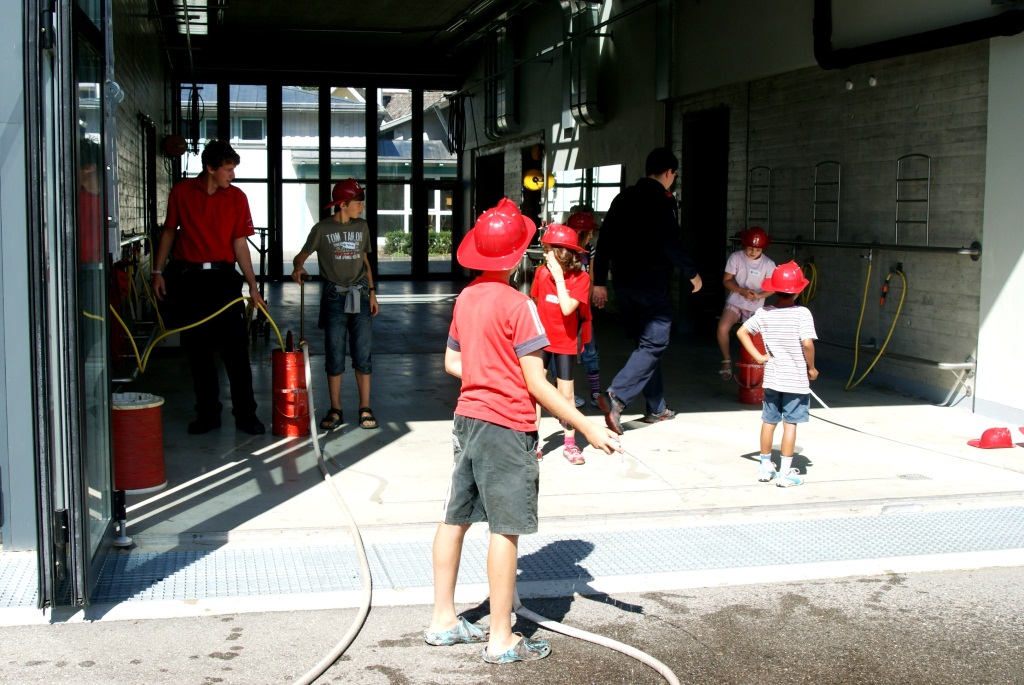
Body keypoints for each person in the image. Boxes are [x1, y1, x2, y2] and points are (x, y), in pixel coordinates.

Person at [424, 198, 620, 665]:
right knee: (505, 528)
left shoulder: (466, 298)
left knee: (454, 518)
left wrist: (486, 373)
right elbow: (537, 383)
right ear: (518, 256)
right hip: (507, 425)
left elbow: (452, 361)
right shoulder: (520, 306)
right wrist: (586, 426)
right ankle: (501, 637)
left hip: (467, 420)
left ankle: (443, 620)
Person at [152, 139, 267, 436]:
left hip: (224, 280)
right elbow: (169, 231)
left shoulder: (237, 197)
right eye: (228, 169)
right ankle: (207, 414)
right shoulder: (181, 192)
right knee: (199, 353)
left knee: (236, 351)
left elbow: (240, 244)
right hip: (189, 280)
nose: (232, 175)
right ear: (210, 168)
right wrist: (157, 271)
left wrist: (253, 288)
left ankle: (246, 415)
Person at [591, 147, 703, 433]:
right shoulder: (663, 201)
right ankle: (616, 397)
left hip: (624, 285)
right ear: (669, 172)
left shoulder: (623, 198)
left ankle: (656, 406)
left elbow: (605, 241)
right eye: (674, 175)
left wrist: (600, 280)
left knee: (646, 346)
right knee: (654, 344)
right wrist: (692, 273)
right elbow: (670, 243)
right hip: (651, 284)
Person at [291, 179, 379, 431]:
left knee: (363, 353)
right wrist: (298, 268)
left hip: (360, 294)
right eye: (358, 202)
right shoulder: (322, 229)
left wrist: (372, 293)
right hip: (333, 297)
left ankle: (365, 407)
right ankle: (336, 409)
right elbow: (300, 257)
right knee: (335, 354)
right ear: (343, 205)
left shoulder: (362, 227)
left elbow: (365, 261)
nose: (362, 207)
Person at [736, 261, 818, 488]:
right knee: (790, 423)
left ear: (773, 289)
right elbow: (807, 344)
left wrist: (759, 356)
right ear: (798, 291)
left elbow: (742, 331)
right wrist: (811, 368)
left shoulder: (764, 313)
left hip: (772, 378)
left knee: (769, 421)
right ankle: (784, 473)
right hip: (795, 381)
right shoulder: (802, 313)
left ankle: (765, 467)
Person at [530, 223, 591, 465]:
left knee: (566, 394)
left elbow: (567, 308)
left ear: (561, 253)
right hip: (541, 339)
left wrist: (558, 278)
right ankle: (533, 442)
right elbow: (536, 302)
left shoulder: (581, 278)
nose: (544, 255)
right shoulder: (540, 273)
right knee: (535, 389)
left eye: (547, 250)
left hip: (565, 341)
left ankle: (570, 443)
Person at [716, 226, 776, 381]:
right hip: (737, 300)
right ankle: (726, 360)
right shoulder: (736, 257)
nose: (753, 252)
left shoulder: (769, 264)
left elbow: (773, 287)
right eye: (750, 248)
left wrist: (759, 295)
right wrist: (741, 291)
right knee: (722, 328)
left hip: (756, 305)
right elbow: (726, 281)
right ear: (745, 245)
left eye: (758, 249)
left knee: (755, 337)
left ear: (763, 249)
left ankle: (756, 366)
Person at [567, 210, 603, 406]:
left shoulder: (590, 250)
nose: (591, 236)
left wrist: (585, 306)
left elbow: (591, 277)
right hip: (566, 308)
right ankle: (564, 394)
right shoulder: (564, 251)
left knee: (590, 350)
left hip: (583, 308)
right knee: (563, 352)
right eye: (589, 232)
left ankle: (596, 392)